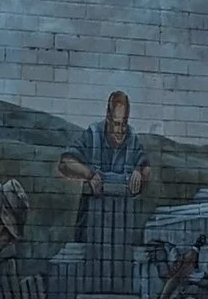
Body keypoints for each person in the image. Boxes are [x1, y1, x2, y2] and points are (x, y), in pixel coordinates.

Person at [58, 90, 151, 238]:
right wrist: (89, 174)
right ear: (108, 117)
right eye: (116, 124)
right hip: (90, 231)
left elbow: (145, 167)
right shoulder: (93, 135)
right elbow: (65, 163)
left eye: (124, 124)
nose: (120, 130)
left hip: (120, 232)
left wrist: (139, 173)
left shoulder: (132, 139)